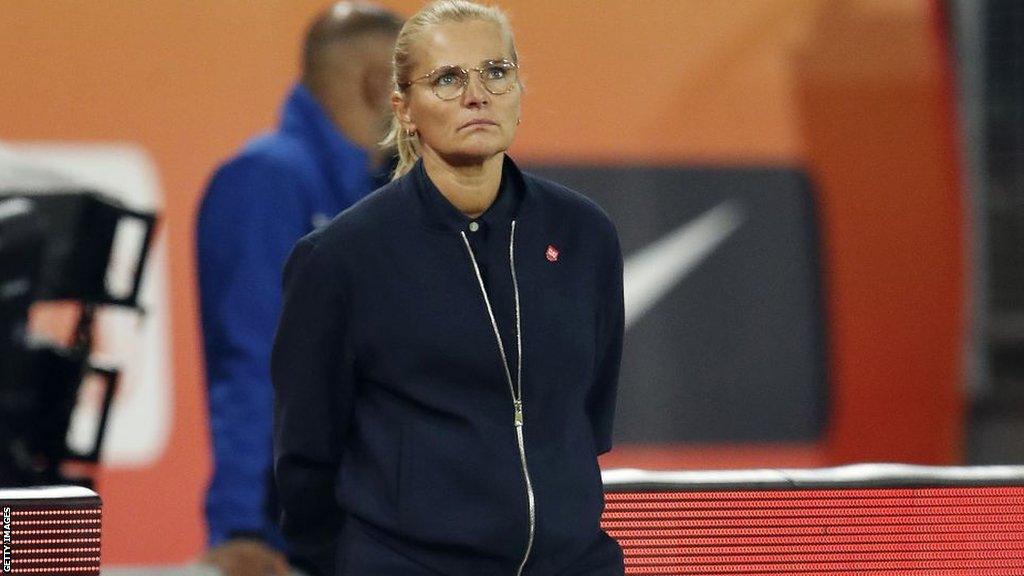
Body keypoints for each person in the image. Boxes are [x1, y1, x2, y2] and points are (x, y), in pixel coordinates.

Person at [272, 1, 625, 575]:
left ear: (518, 88)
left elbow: (586, 419)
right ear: (403, 108)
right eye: (447, 79)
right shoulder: (341, 258)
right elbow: (305, 461)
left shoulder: (584, 235)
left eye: (495, 72)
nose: (477, 95)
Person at [195, 3, 402, 575]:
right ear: (379, 83)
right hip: (292, 542)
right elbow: (252, 358)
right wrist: (239, 530)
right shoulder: (266, 181)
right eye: (423, 79)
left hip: (372, 532)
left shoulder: (382, 192)